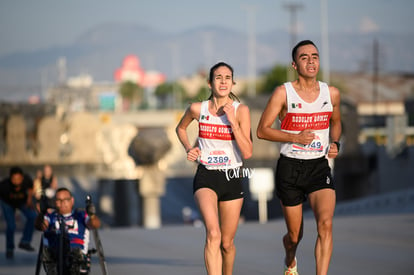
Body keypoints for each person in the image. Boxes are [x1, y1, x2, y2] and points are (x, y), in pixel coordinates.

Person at [257, 40, 342, 275]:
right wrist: (295, 137)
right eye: (304, 57)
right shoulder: (283, 93)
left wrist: (335, 142)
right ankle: (290, 258)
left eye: (314, 56)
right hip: (290, 168)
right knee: (295, 236)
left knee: (325, 225)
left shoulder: (331, 93)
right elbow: (262, 130)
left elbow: (336, 123)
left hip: (318, 167)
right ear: (294, 64)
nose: (311, 61)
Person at [176, 62, 252, 275]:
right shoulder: (196, 109)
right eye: (218, 77)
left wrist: (233, 122)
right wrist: (189, 148)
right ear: (210, 83)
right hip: (206, 175)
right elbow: (181, 128)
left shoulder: (241, 110)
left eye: (227, 77)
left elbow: (247, 152)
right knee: (213, 234)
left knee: (227, 244)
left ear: (233, 83)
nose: (223, 81)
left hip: (232, 175)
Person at [35, 187, 101, 275]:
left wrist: (92, 215)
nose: (62, 203)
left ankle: (74, 266)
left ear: (72, 201)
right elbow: (40, 226)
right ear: (55, 202)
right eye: (59, 200)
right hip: (54, 252)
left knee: (74, 254)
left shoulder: (81, 215)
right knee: (50, 252)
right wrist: (41, 214)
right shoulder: (50, 216)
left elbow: (95, 224)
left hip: (76, 253)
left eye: (65, 199)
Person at [0, 166, 37, 259]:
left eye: (18, 179)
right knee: (11, 225)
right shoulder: (4, 186)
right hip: (7, 203)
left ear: (22, 178)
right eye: (14, 179)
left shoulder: (27, 180)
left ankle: (25, 241)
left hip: (22, 202)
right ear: (10, 178)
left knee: (33, 216)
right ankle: (9, 248)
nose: (16, 182)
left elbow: (30, 188)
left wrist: (29, 200)